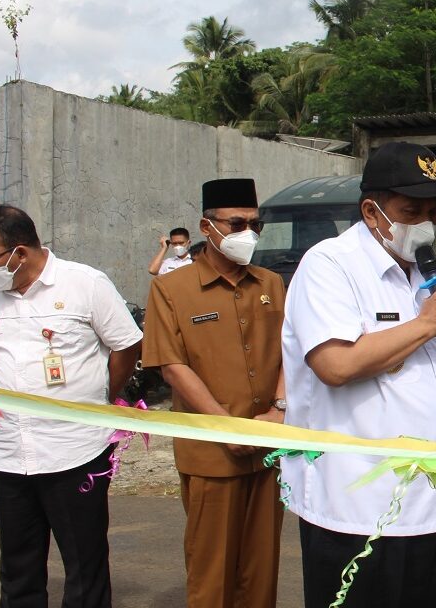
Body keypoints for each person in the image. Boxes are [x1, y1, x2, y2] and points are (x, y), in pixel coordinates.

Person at [281, 142, 436, 608]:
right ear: (371, 210)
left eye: (433, 212)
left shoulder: (422, 273)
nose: (424, 224)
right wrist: (425, 325)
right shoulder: (330, 264)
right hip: (359, 511)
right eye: (411, 211)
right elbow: (335, 365)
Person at [0, 204, 142, 606]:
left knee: (84, 567)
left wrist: (102, 396)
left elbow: (126, 344)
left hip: (75, 451)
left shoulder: (85, 283)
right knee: (18, 569)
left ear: (20, 252)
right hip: (8, 455)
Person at [142, 178, 287, 608]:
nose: (249, 233)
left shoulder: (270, 284)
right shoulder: (171, 288)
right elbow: (172, 366)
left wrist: (280, 409)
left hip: (267, 445)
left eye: (256, 225)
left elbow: (290, 353)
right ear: (207, 227)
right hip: (211, 452)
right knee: (212, 570)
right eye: (237, 223)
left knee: (261, 568)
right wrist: (224, 427)